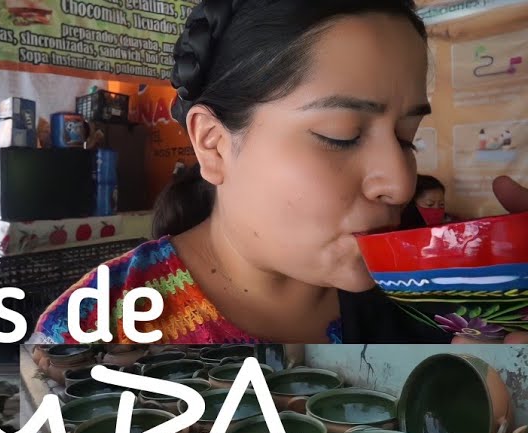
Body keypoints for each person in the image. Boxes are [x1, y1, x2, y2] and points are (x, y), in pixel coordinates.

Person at [32, 0, 528, 346]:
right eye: (342, 133)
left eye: (407, 136)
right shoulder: (95, 330)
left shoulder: (440, 293)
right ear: (214, 145)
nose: (399, 183)